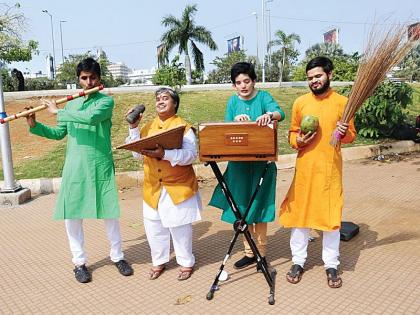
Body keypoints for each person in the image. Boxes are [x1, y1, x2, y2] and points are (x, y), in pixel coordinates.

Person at [25, 57, 133, 283]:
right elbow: (58, 134)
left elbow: (91, 119)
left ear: (99, 79)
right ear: (78, 80)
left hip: (100, 164)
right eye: (84, 78)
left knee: (109, 213)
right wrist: (34, 125)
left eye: (93, 77)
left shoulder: (105, 102)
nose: (89, 81)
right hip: (75, 167)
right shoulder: (71, 105)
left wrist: (58, 112)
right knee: (72, 215)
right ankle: (79, 263)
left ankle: (118, 256)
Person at [279, 56, 357, 288]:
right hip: (305, 170)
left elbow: (352, 135)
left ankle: (331, 264)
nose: (314, 81)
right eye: (310, 78)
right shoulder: (300, 103)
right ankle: (298, 261)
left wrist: (343, 133)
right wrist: (299, 140)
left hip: (330, 170)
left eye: (318, 76)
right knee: (300, 217)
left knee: (330, 218)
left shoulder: (344, 103)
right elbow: (292, 134)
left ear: (329, 75)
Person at [209, 62, 285, 270]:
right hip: (239, 166)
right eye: (238, 83)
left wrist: (269, 115)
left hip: (262, 165)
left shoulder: (263, 97)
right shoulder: (233, 102)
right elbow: (226, 128)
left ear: (253, 81)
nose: (243, 86)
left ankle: (261, 254)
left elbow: (280, 113)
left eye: (246, 81)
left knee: (259, 207)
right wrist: (236, 120)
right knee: (241, 208)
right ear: (234, 85)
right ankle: (249, 252)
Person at [125, 87, 202, 281]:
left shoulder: (184, 127)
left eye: (165, 98)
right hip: (152, 187)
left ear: (174, 103)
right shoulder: (148, 126)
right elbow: (136, 153)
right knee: (154, 226)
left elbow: (190, 156)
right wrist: (133, 128)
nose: (160, 101)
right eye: (158, 98)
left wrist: (164, 155)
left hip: (178, 186)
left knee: (180, 227)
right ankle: (159, 261)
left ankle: (186, 262)